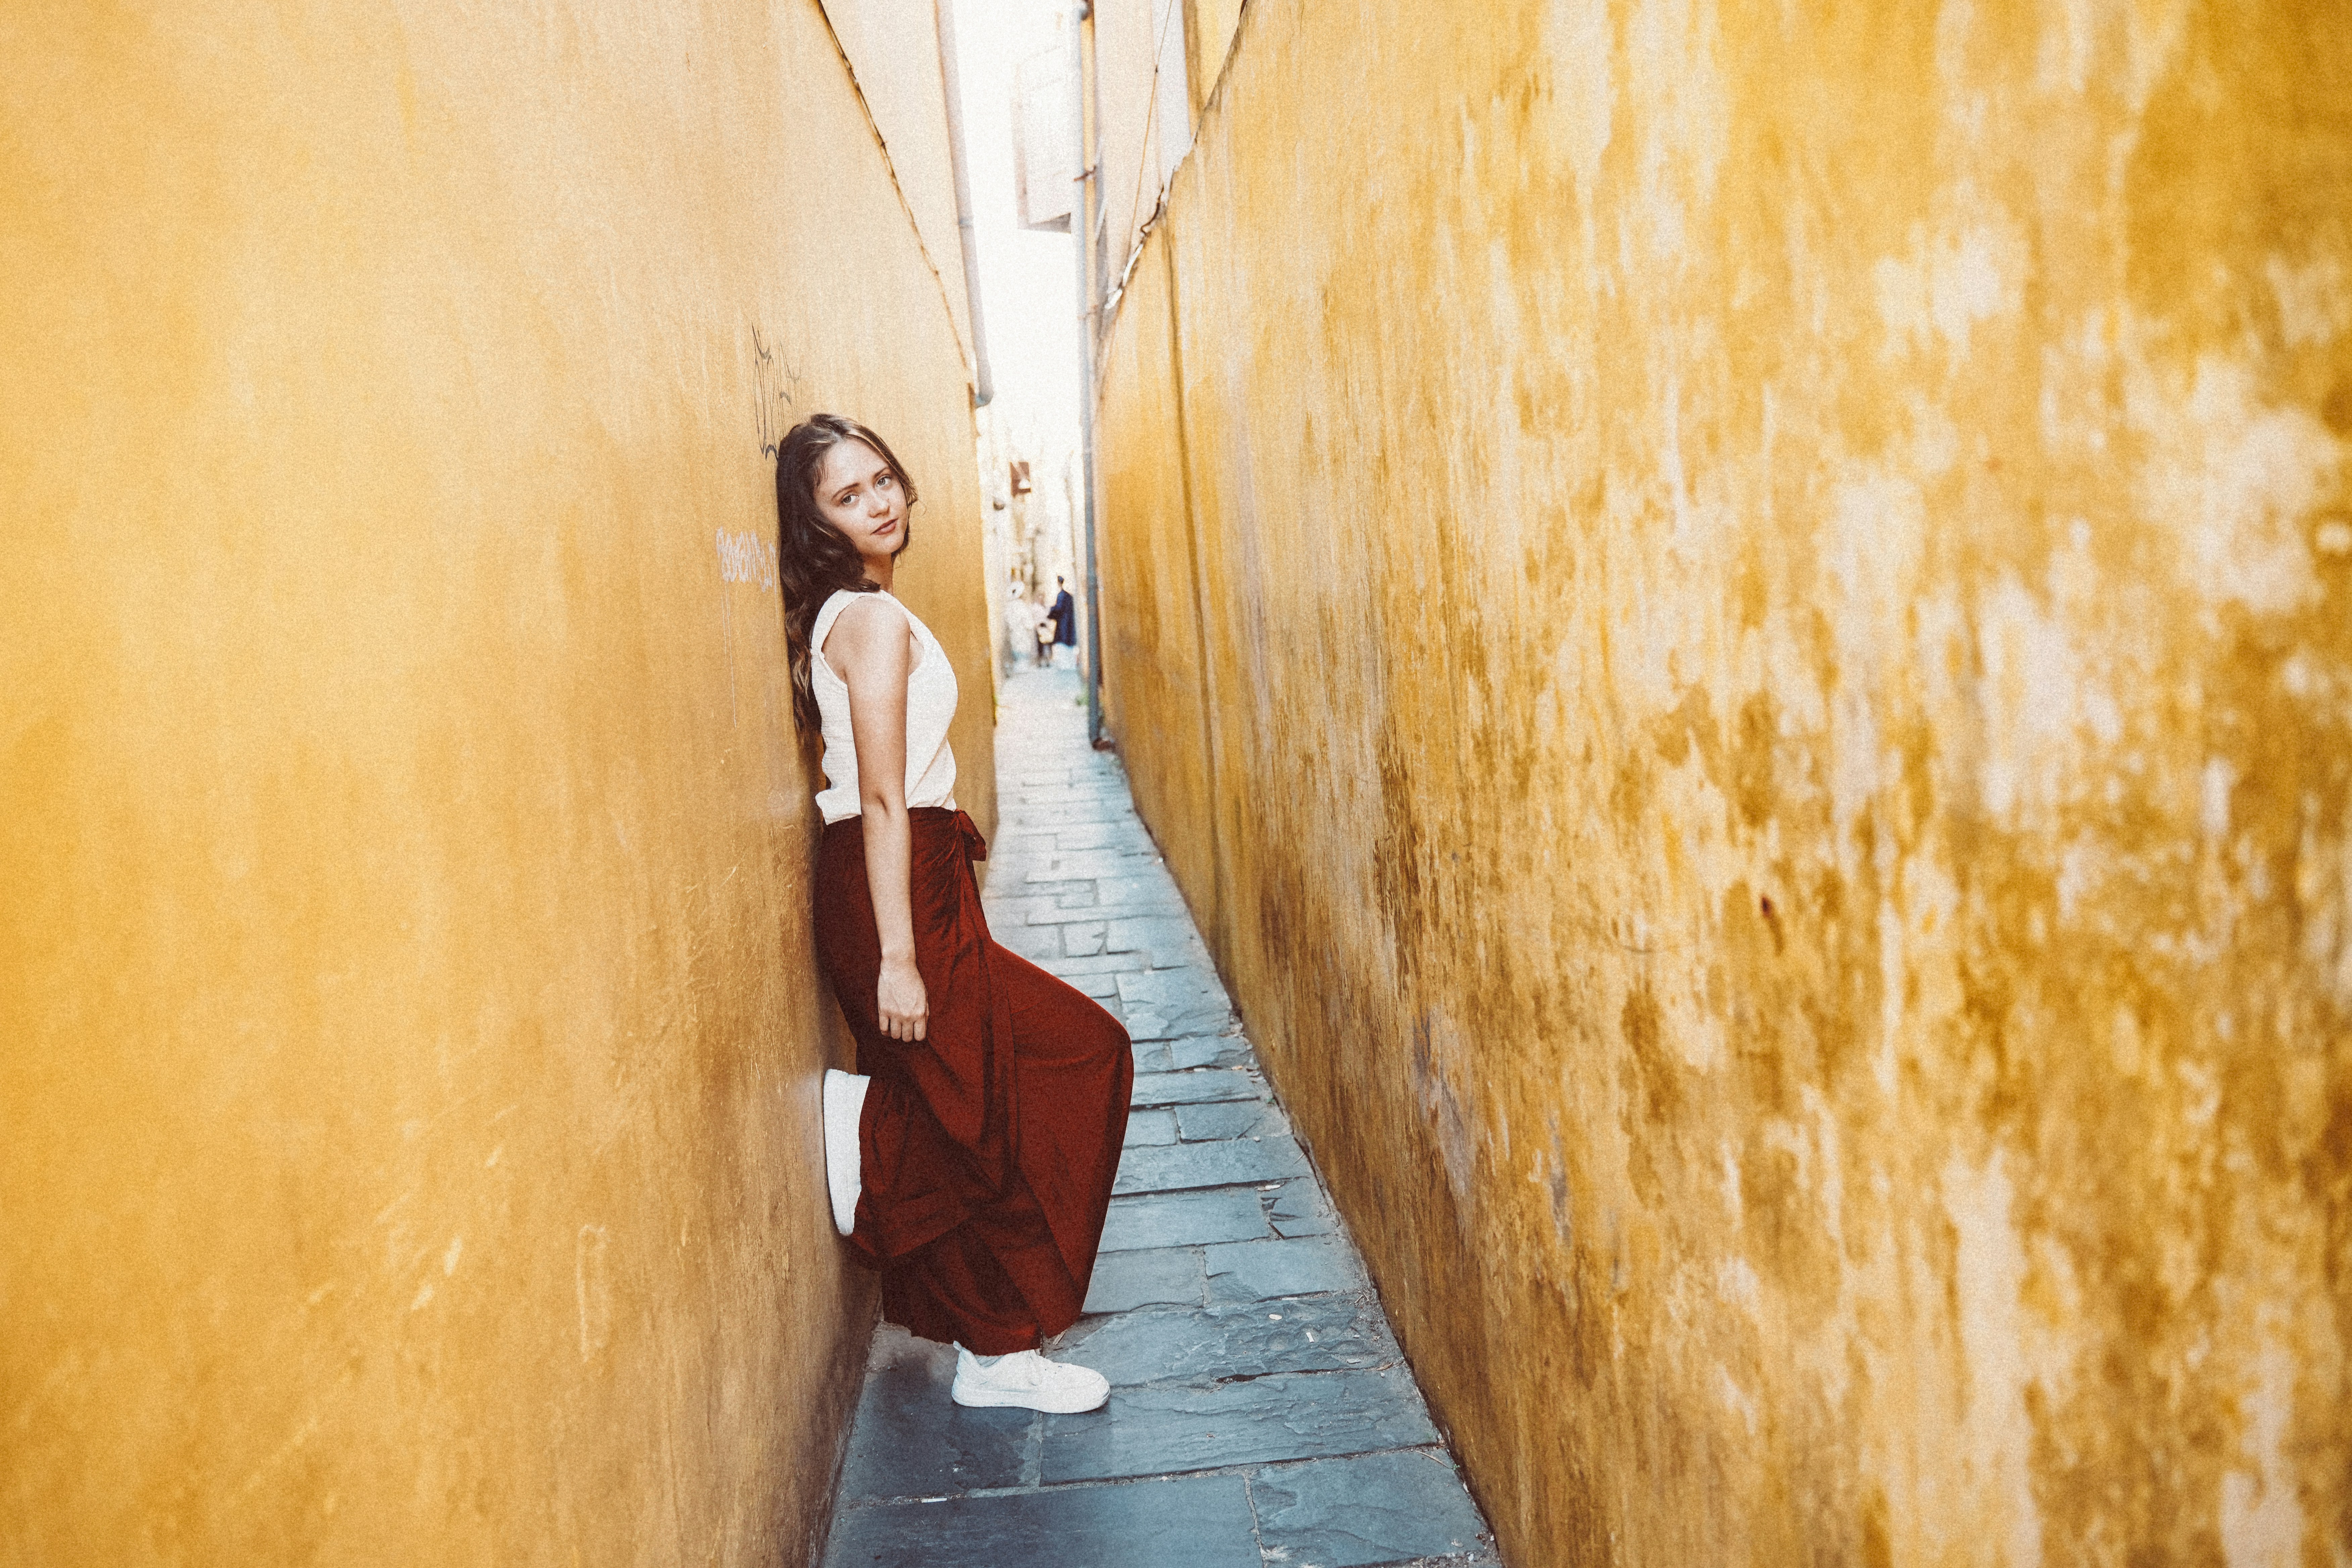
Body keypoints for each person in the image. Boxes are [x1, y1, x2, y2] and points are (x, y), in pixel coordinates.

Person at [775, 413, 1132, 1414]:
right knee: (1012, 1090)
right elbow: (884, 796)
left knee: (1012, 1078)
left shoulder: (864, 611)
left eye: (881, 479)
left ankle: (984, 1328)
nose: (879, 503)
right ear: (816, 522)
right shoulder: (868, 621)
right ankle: (880, 1152)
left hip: (914, 877)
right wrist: (899, 956)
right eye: (847, 496)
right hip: (897, 884)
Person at [1001, 571, 1038, 671]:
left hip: (1014, 631)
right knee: (1022, 647)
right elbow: (1026, 618)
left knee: (1017, 647)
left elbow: (1008, 619)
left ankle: (1019, 666)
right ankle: (1022, 667)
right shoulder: (1020, 605)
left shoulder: (1010, 606)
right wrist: (1030, 625)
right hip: (1021, 631)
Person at [1048, 576, 1077, 669]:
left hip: (1063, 625)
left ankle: (1065, 666)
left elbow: (1059, 609)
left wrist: (1050, 611)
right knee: (1068, 646)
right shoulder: (1069, 596)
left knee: (1063, 645)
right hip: (1068, 624)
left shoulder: (1061, 595)